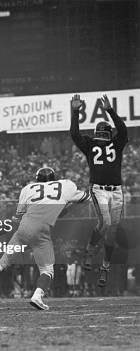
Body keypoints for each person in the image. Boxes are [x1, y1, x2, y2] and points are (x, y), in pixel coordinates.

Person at [0, 167, 90, 310]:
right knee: (47, 270)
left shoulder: (28, 189)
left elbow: (19, 217)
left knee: (3, 261)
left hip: (23, 228)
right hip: (41, 232)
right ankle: (37, 296)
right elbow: (86, 198)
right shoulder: (65, 185)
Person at [70, 94, 128, 287]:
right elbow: (75, 135)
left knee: (111, 231)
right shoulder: (93, 144)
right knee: (105, 222)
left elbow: (123, 130)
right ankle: (89, 251)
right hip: (99, 189)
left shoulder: (114, 144)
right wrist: (75, 111)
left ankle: (105, 267)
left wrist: (110, 111)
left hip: (116, 190)